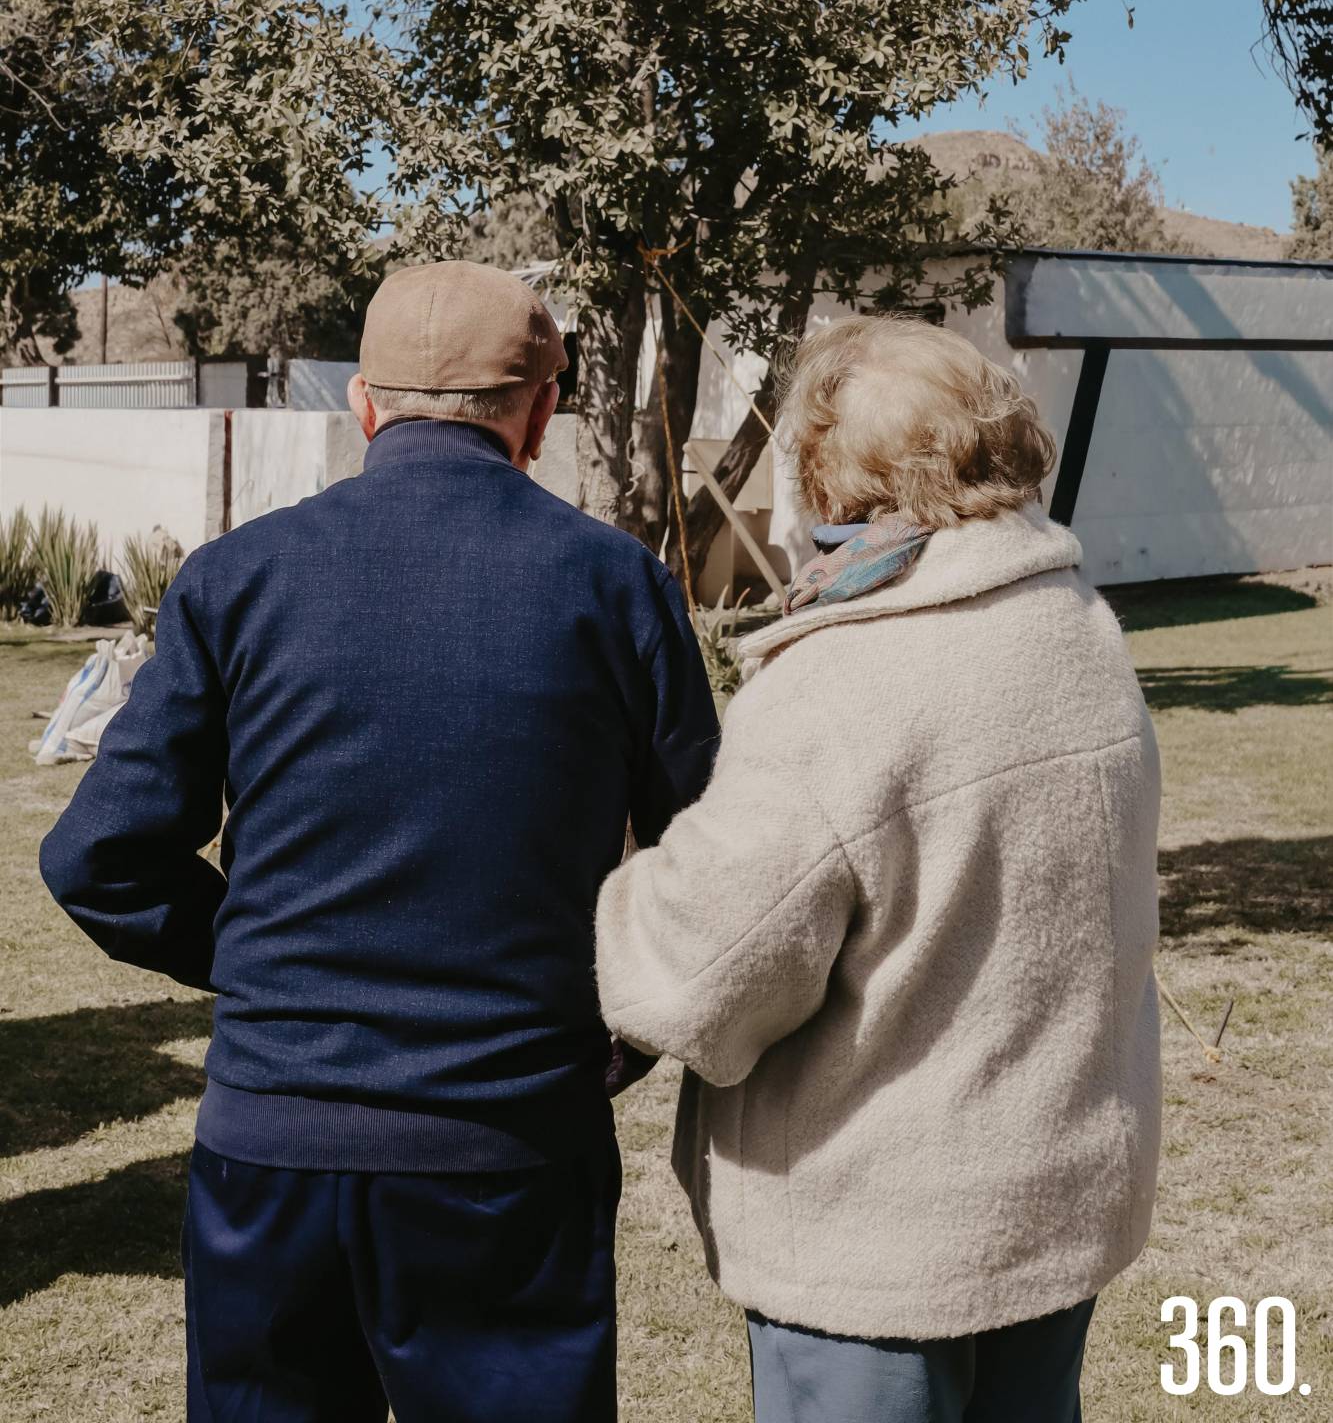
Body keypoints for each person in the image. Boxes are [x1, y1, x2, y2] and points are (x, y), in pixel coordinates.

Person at [41, 259, 719, 1423]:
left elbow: (95, 856)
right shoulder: (613, 583)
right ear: (540, 412)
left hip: (272, 1147)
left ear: (362, 404)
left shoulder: (235, 579)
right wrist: (624, 1018)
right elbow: (709, 862)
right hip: (507, 1146)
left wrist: (250, 958)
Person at [597, 314, 1161, 1423]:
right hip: (1054, 1204)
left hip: (879, 1242)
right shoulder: (1080, 630)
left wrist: (620, 897)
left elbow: (693, 974)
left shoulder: (842, 684)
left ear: (834, 479)